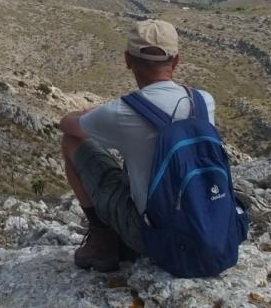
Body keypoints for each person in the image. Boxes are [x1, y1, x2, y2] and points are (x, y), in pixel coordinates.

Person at [58, 19, 217, 272]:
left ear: (127, 60)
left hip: (151, 236)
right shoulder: (204, 101)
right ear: (176, 61)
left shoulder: (123, 112)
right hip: (207, 224)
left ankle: (102, 241)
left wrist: (91, 112)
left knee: (71, 142)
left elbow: (67, 124)